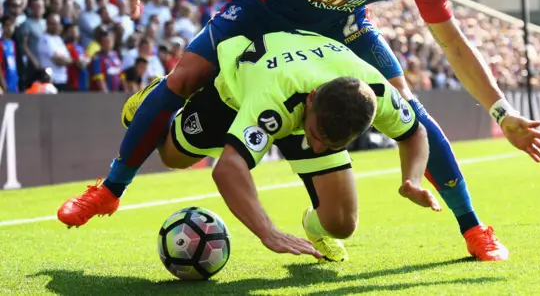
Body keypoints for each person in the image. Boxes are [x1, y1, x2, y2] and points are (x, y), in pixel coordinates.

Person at [59, 0, 540, 261]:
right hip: (261, 9)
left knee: (410, 108)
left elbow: (451, 43)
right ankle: (109, 191)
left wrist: (502, 110)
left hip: (339, 28)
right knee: (185, 76)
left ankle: (473, 228)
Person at [60, 30, 442, 261]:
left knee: (342, 225)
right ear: (310, 103)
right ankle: (155, 102)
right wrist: (267, 232)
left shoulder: (374, 93)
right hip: (233, 94)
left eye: (331, 143)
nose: (317, 145)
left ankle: (312, 227)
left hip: (305, 91)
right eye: (317, 136)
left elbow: (415, 133)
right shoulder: (276, 98)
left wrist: (412, 179)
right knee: (173, 157)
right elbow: (228, 169)